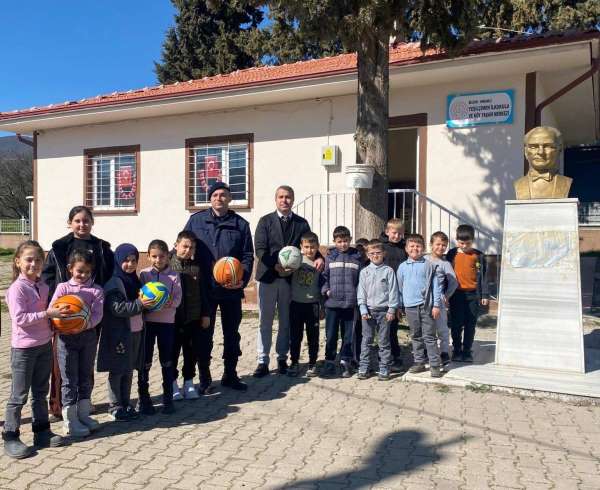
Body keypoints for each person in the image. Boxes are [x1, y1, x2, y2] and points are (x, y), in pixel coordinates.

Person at [41, 205, 114, 420]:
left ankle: (84, 401)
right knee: (61, 363)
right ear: (70, 223)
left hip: (89, 315)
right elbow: (47, 277)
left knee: (85, 361)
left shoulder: (102, 248)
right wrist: (56, 306)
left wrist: (97, 301)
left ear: (92, 222)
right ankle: (57, 404)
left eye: (86, 221)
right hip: (64, 315)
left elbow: (109, 274)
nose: (82, 224)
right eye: (77, 221)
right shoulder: (59, 247)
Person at [184, 182, 254, 391]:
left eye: (223, 194)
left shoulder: (240, 224)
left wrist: (242, 278)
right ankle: (205, 378)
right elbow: (183, 247)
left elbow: (247, 255)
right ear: (210, 198)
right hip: (204, 288)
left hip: (231, 289)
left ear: (230, 198)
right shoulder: (196, 221)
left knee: (232, 333)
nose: (219, 198)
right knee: (204, 334)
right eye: (215, 195)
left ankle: (230, 374)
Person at [3, 241, 67, 459]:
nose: (34, 264)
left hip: (44, 345)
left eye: (38, 260)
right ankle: (10, 436)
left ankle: (42, 432)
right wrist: (47, 314)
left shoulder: (43, 286)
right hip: (24, 349)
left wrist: (55, 323)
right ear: (18, 262)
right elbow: (20, 319)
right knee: (18, 395)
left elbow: (46, 315)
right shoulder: (17, 289)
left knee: (40, 392)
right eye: (28, 259)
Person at [253, 185, 323, 377]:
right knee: (265, 321)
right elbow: (260, 249)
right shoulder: (265, 221)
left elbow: (310, 245)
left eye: (288, 197)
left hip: (290, 280)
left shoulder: (301, 223)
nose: (285, 200)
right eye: (281, 197)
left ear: (293, 199)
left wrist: (320, 258)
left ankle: (282, 358)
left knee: (285, 321)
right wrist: (275, 265)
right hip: (268, 277)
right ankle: (262, 361)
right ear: (276, 199)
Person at [50, 249, 104, 436]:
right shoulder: (63, 289)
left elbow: (97, 314)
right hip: (65, 339)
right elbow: (52, 310)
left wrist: (84, 324)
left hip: (88, 337)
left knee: (85, 376)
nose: (83, 275)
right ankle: (70, 420)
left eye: (88, 272)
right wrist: (62, 321)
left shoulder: (96, 290)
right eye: (80, 271)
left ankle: (83, 414)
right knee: (69, 379)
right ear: (70, 269)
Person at [97, 244, 152, 421]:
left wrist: (152, 304)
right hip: (119, 335)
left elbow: (142, 304)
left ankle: (126, 403)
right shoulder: (114, 283)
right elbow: (117, 309)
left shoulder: (135, 280)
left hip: (136, 332)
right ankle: (115, 406)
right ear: (118, 260)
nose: (130, 264)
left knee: (128, 370)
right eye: (126, 260)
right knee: (117, 370)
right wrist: (141, 304)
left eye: (134, 260)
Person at [138, 240, 182, 414]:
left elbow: (178, 298)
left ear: (168, 257)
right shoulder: (144, 274)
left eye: (162, 256)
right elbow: (140, 296)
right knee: (145, 361)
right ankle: (144, 399)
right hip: (147, 323)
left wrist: (170, 302)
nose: (158, 260)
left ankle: (168, 399)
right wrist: (144, 301)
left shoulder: (174, 276)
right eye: (154, 256)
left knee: (167, 361)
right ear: (148, 257)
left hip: (167, 323)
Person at [169, 231, 211, 400]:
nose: (188, 250)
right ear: (176, 245)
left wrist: (206, 313)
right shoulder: (168, 266)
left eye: (191, 247)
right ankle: (172, 383)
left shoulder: (196, 267)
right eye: (185, 246)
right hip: (173, 319)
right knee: (172, 353)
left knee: (191, 352)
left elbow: (203, 292)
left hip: (193, 318)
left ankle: (188, 382)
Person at [397, 234, 444, 378]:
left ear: (423, 248)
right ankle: (419, 362)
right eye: (411, 246)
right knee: (415, 335)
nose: (415, 249)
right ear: (406, 249)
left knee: (429, 336)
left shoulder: (428, 265)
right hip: (410, 307)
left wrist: (436, 305)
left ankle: (434, 364)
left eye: (418, 246)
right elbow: (399, 288)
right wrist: (399, 305)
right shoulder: (402, 267)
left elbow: (436, 287)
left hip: (426, 306)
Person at [321, 226, 362, 378]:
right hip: (332, 304)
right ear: (334, 241)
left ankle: (346, 361)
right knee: (331, 334)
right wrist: (326, 290)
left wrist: (358, 297)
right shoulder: (330, 257)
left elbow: (361, 280)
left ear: (350, 240)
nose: (343, 244)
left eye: (345, 241)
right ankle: (330, 361)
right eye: (339, 241)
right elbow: (324, 277)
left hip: (350, 304)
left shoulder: (356, 258)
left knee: (348, 335)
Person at [356, 239, 400, 381]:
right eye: (372, 253)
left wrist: (392, 309)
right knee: (366, 340)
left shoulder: (388, 271)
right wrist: (363, 308)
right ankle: (364, 367)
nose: (375, 255)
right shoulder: (364, 272)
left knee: (384, 341)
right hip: (368, 312)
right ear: (367, 255)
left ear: (384, 254)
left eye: (378, 253)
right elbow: (361, 292)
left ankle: (384, 367)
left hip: (384, 312)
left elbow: (393, 291)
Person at [446, 224, 489, 363]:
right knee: (456, 324)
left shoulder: (478, 255)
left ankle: (467, 351)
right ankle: (457, 350)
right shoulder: (451, 254)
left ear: (473, 241)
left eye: (468, 243)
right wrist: (445, 294)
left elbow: (484, 276)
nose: (464, 246)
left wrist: (484, 294)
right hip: (456, 295)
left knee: (470, 324)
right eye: (461, 243)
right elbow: (446, 275)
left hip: (473, 295)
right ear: (456, 240)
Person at [288, 232, 324, 378]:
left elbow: (322, 285)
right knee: (295, 336)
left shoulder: (320, 263)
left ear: (318, 247)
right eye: (307, 247)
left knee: (313, 337)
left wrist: (322, 307)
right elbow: (285, 271)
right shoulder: (296, 260)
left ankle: (312, 363)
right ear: (301, 247)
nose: (310, 250)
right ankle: (294, 362)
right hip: (296, 304)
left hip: (312, 305)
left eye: (313, 247)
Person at [425, 232, 458, 366]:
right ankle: (427, 352)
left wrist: (446, 295)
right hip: (424, 300)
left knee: (442, 327)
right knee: (426, 327)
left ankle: (444, 352)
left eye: (444, 245)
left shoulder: (445, 264)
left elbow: (453, 282)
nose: (441, 247)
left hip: (439, 300)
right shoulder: (423, 259)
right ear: (431, 244)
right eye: (438, 244)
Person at [379, 218, 407, 370]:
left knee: (393, 327)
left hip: (398, 292)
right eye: (394, 233)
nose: (397, 236)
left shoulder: (404, 248)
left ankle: (395, 356)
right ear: (387, 232)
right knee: (383, 328)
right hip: (383, 292)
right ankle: (384, 356)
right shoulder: (381, 247)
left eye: (400, 233)